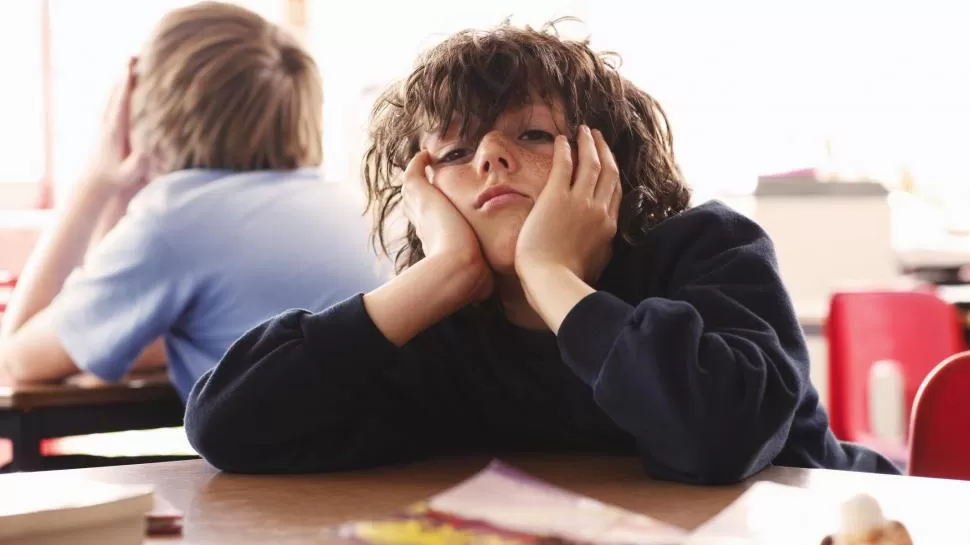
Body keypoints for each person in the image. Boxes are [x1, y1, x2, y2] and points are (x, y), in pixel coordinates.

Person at [183, 19, 900, 483]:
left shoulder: (708, 250)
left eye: (530, 134)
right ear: (425, 195)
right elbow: (228, 426)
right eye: (454, 152)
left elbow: (719, 441)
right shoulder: (442, 330)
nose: (489, 157)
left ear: (605, 161)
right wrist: (441, 274)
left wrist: (550, 275)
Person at [0, 1, 382, 402]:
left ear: (142, 106)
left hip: (304, 442)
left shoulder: (178, 218)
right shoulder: (345, 202)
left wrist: (94, 182)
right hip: (391, 437)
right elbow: (109, 338)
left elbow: (17, 360)